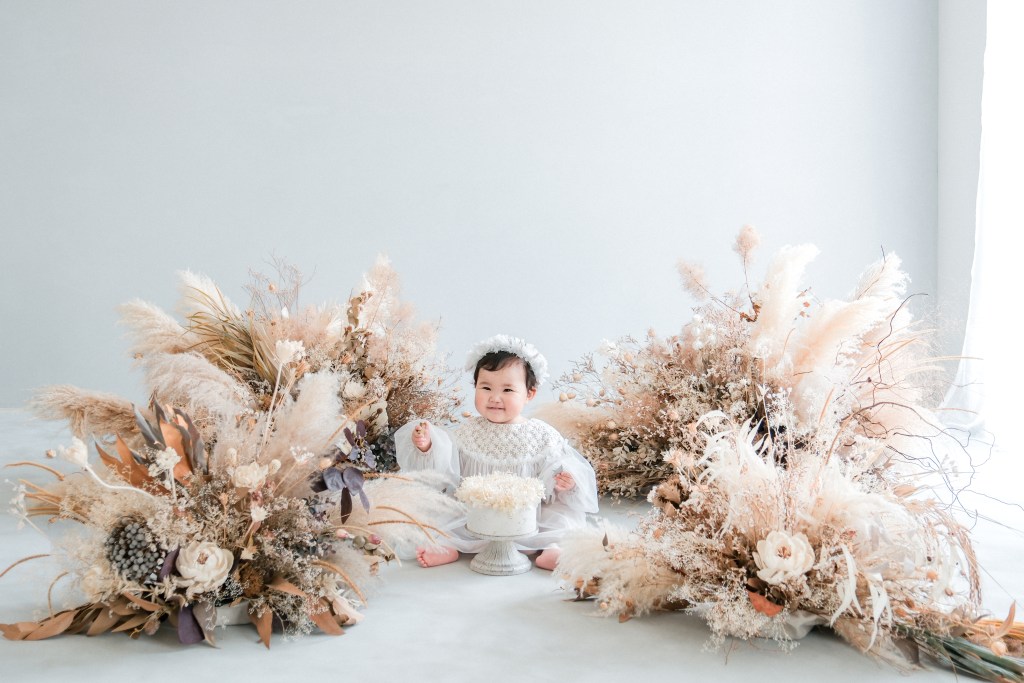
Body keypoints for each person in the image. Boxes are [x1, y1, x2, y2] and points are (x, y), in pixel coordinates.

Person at [395, 334, 599, 570]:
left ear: (529, 394)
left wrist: (565, 482)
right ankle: (447, 545)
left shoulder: (542, 435)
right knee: (446, 514)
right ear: (475, 387)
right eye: (486, 387)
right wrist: (427, 446)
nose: (494, 397)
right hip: (476, 515)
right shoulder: (468, 432)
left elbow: (557, 470)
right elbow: (446, 471)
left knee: (562, 518)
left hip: (530, 517)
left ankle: (553, 548)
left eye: (507, 389)